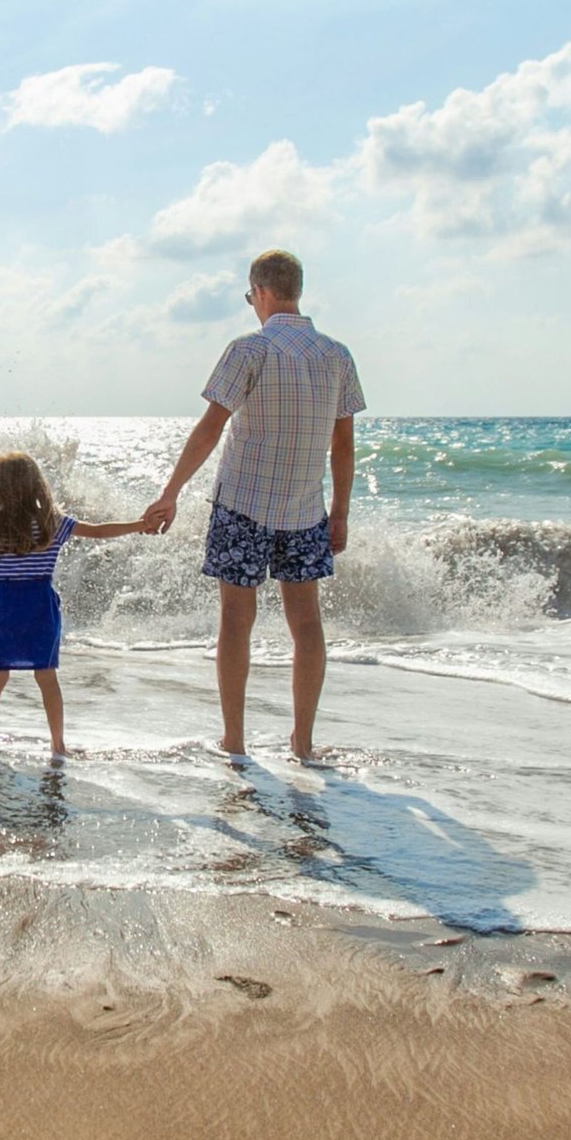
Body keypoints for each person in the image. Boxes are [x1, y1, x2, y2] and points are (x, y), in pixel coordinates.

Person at [142, 250, 364, 763]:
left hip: (242, 505)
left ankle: (235, 741)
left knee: (236, 623)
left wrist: (171, 491)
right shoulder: (336, 355)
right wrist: (342, 512)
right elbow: (344, 446)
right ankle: (302, 744)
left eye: (250, 297)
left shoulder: (249, 350)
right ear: (297, 291)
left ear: (260, 292)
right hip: (306, 510)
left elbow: (209, 429)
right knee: (306, 624)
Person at [0, 451, 148, 757]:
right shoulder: (51, 523)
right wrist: (140, 524)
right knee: (46, 677)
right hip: (39, 608)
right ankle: (58, 746)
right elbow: (99, 531)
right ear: (36, 485)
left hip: (4, 607)